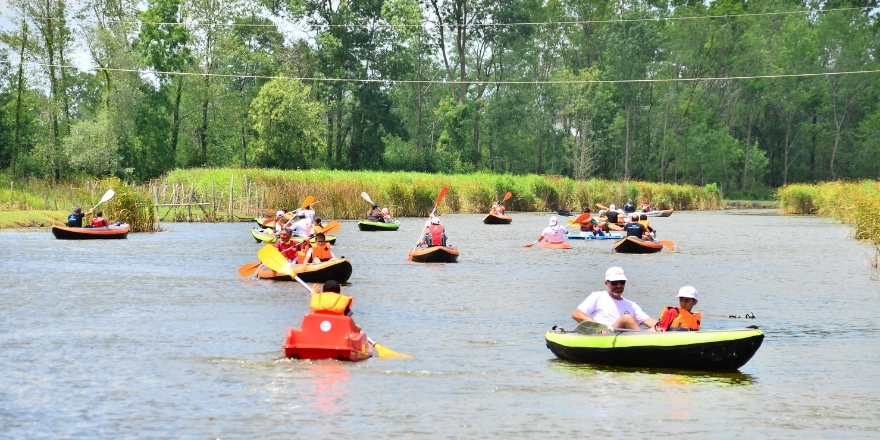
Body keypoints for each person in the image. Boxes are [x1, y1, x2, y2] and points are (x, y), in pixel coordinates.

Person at [571, 267, 659, 331]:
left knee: (659, 327)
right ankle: (643, 344)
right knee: (626, 318)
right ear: (606, 283)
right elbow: (576, 314)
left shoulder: (631, 305)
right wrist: (598, 328)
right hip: (607, 336)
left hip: (627, 338)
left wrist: (664, 325)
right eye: (614, 283)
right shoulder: (598, 296)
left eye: (622, 282)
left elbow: (648, 321)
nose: (619, 286)